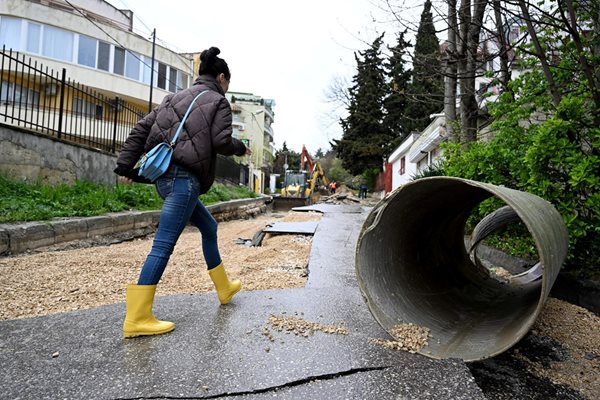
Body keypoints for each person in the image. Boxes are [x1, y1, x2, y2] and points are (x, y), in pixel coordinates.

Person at [114, 47, 251, 338]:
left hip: (164, 178)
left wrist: (126, 166)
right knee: (163, 245)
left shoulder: (172, 99)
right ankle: (137, 318)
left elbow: (141, 130)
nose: (228, 87)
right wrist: (240, 148)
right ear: (222, 77)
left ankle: (224, 288)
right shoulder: (218, 101)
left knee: (209, 227)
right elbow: (221, 141)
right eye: (228, 81)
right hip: (183, 181)